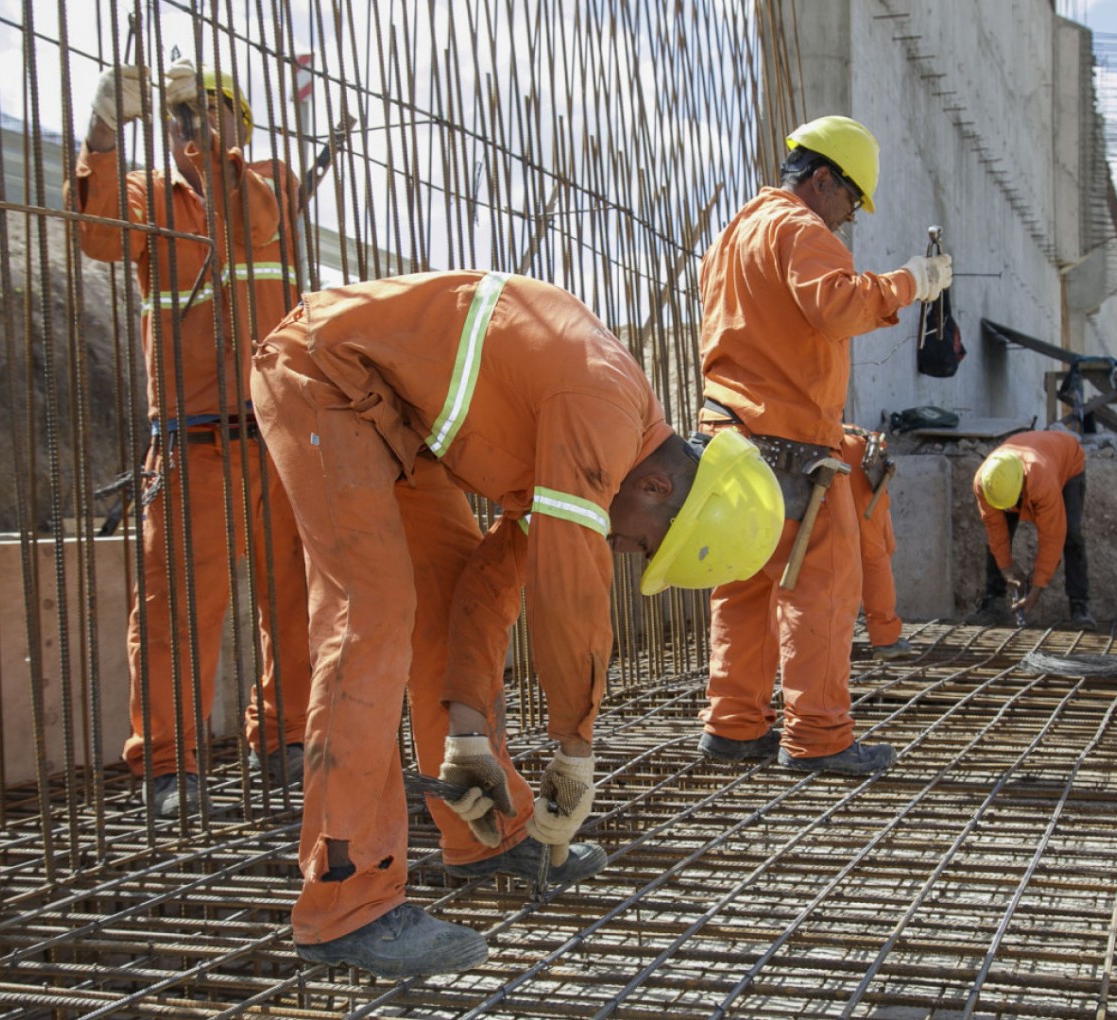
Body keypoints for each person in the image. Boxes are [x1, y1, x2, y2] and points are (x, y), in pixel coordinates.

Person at [250, 270, 784, 978]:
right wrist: (575, 747)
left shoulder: (596, 444)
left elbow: (493, 584)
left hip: (393, 418)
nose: (624, 552)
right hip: (325, 376)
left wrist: (467, 734)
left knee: (445, 600)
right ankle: (346, 901)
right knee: (370, 615)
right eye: (645, 545)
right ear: (657, 488)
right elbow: (569, 594)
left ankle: (486, 832)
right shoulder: (597, 411)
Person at [69, 60, 311, 818]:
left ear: (240, 121)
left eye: (209, 110)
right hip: (190, 446)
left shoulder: (269, 181)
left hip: (276, 440)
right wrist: (103, 133)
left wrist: (212, 152)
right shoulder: (147, 197)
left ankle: (287, 740)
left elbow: (252, 220)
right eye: (178, 114)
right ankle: (171, 766)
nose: (191, 125)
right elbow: (98, 232)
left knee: (294, 600)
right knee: (174, 612)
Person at [695, 115, 951, 775]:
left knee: (744, 585)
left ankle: (733, 725)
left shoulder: (734, 234)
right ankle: (818, 737)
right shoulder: (801, 229)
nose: (849, 218)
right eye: (851, 200)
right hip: (790, 450)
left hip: (727, 442)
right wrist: (910, 282)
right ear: (822, 178)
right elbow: (838, 306)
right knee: (822, 589)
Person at [970, 429, 1095, 629]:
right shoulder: (986, 483)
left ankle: (1080, 605)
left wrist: (1037, 587)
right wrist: (1006, 567)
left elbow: (1052, 536)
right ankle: (994, 603)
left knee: (1071, 534)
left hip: (1067, 460)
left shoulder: (1042, 483)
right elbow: (995, 530)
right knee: (1001, 533)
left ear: (1021, 488)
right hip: (1028, 462)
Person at [841, 425, 909, 659]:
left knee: (822, 557)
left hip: (818, 453)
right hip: (851, 452)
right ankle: (885, 638)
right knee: (872, 555)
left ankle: (826, 639)